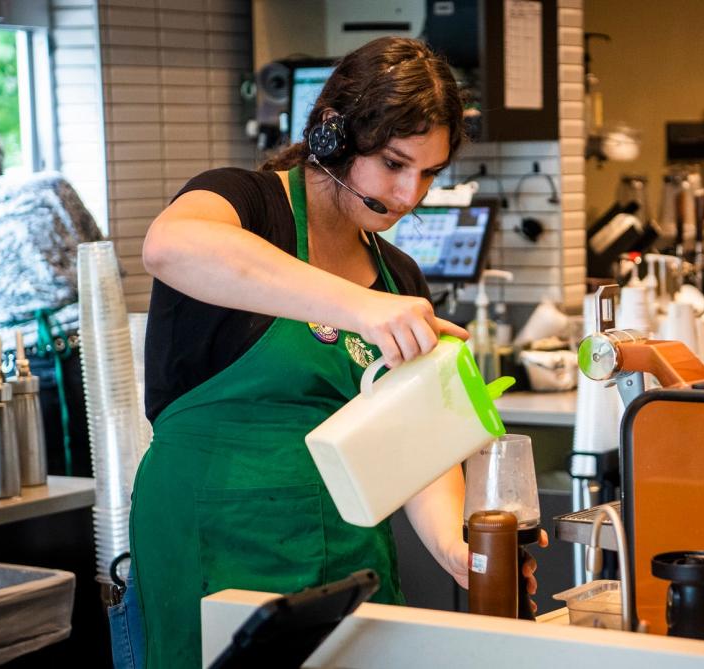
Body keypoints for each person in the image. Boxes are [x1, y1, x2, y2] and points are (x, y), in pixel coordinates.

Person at [128, 37, 543, 668]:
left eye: (429, 173)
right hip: (215, 543)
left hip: (351, 559)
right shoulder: (244, 204)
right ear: (332, 137)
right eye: (394, 164)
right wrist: (356, 307)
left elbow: (416, 447)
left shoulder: (399, 277)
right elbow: (169, 245)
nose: (409, 196)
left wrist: (454, 550)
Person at [0, 112, 100, 477]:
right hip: (94, 357)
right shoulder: (51, 187)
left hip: (15, 373)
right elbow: (101, 263)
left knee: (42, 490)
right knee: (107, 481)